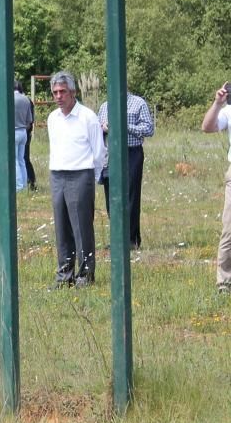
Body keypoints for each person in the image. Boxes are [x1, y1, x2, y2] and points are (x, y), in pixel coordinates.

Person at [47, 70, 105, 288]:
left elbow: (99, 151)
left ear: (73, 92)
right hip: (58, 174)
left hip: (81, 173)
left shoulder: (87, 117)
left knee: (81, 227)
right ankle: (64, 275)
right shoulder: (53, 118)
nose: (58, 96)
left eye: (63, 91)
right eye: (55, 92)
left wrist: (93, 176)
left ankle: (85, 274)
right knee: (62, 227)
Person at [98, 91, 154, 249]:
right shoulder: (105, 106)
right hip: (110, 154)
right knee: (111, 197)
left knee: (130, 196)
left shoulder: (138, 103)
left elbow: (149, 129)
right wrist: (103, 127)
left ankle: (130, 240)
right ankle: (117, 239)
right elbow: (96, 128)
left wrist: (124, 125)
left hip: (131, 153)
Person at [199, 83, 231, 295]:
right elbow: (207, 127)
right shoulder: (228, 110)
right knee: (229, 230)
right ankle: (224, 283)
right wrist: (218, 103)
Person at [13, 81, 34, 192]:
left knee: (14, 160)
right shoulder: (26, 99)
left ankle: (19, 186)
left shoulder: (9, 98)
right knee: (21, 160)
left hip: (13, 131)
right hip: (23, 132)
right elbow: (29, 120)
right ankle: (24, 185)